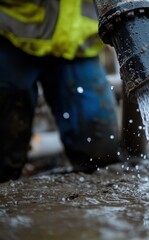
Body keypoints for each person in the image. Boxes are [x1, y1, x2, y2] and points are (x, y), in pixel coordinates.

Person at [0, 1, 121, 182]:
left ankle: (96, 205)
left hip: (80, 41)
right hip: (12, 32)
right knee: (4, 142)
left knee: (100, 151)